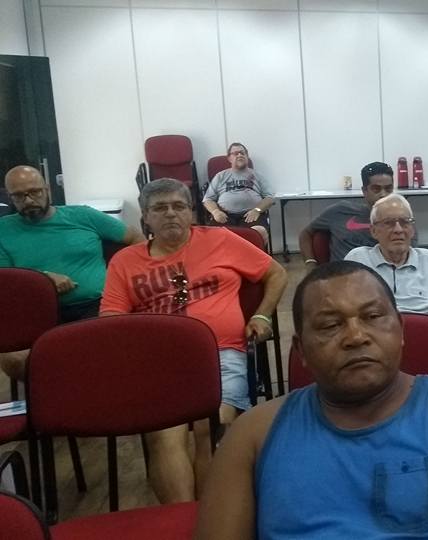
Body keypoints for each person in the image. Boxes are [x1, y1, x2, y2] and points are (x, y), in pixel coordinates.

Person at [194, 261, 428, 539]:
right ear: (301, 351)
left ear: (400, 331)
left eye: (373, 317)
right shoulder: (254, 437)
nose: (355, 336)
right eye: (330, 325)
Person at [100, 178, 288, 504]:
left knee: (210, 427)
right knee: (164, 434)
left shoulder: (221, 240)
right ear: (145, 218)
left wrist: (261, 315)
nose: (170, 214)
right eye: (160, 208)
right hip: (158, 363)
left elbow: (277, 273)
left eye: (179, 206)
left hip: (221, 352)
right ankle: (183, 519)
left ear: (191, 212)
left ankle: (210, 518)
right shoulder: (125, 261)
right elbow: (111, 321)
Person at [0, 165, 143, 380]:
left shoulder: (82, 216)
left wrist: (125, 279)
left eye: (34, 192)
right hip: (35, 311)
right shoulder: (3, 230)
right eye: (19, 196)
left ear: (47, 189)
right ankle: (57, 394)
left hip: (97, 304)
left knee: (109, 345)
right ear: (10, 198)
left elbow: (136, 239)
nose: (28, 200)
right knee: (16, 360)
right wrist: (42, 280)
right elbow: (6, 280)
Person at [345, 193, 428, 337]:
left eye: (405, 222)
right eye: (389, 223)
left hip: (420, 337)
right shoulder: (358, 260)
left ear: (412, 229)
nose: (398, 229)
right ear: (374, 231)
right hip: (374, 339)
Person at [299, 161, 395, 264]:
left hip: (382, 271)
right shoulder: (340, 211)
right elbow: (306, 233)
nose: (383, 194)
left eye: (388, 189)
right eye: (376, 189)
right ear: (364, 191)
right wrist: (310, 262)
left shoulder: (401, 219)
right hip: (342, 272)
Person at [202, 142, 274, 242]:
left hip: (251, 214)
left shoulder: (257, 176)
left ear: (247, 156)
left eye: (242, 153)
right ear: (229, 158)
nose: (240, 155)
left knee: (259, 232)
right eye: (236, 153)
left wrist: (257, 210)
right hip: (225, 216)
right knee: (213, 235)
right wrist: (215, 212)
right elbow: (208, 199)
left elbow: (269, 198)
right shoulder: (220, 176)